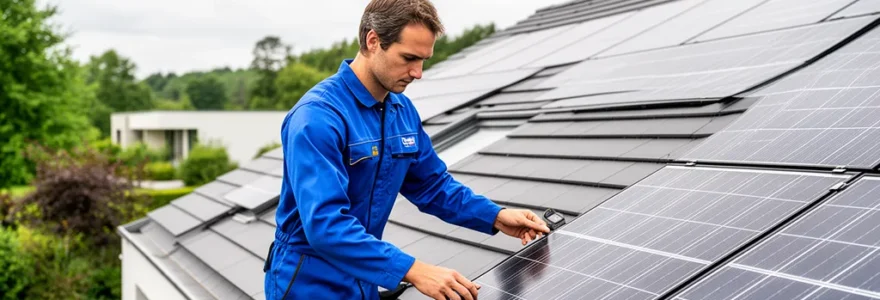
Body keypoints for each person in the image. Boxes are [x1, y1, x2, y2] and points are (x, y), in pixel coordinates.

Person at [263, 0, 551, 299]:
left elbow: (432, 185)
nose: (418, 73)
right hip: (309, 283)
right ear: (373, 41)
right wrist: (413, 270)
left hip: (364, 275)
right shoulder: (318, 117)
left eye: (424, 59)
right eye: (409, 58)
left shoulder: (401, 111)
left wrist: (495, 215)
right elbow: (325, 225)